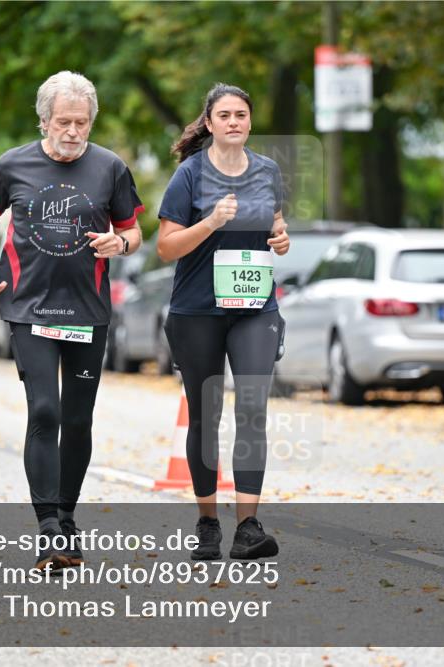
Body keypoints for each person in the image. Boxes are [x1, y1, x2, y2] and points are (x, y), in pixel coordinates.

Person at [0, 71, 144, 571]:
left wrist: (121, 243)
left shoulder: (110, 168)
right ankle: (48, 525)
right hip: (29, 307)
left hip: (88, 309)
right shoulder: (14, 164)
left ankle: (67, 515)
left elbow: (134, 233)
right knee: (45, 410)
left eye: (82, 122)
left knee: (78, 418)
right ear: (45, 121)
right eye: (64, 121)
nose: (73, 131)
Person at [157, 83, 290, 561]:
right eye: (224, 115)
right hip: (198, 310)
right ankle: (208, 523)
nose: (234, 121)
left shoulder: (268, 171)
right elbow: (166, 246)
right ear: (209, 123)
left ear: (249, 122)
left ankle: (248, 527)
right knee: (206, 414)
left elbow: (274, 224)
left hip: (254, 307)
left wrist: (280, 239)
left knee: (252, 408)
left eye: (241, 114)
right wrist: (210, 222)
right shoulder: (189, 176)